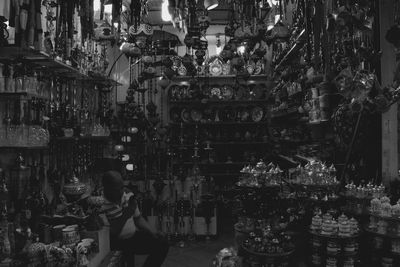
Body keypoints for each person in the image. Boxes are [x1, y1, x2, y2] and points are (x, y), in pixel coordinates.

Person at [102, 171, 169, 267]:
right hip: (115, 243)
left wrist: (153, 232)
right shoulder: (99, 203)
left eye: (122, 187)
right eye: (118, 189)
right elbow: (111, 233)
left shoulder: (127, 194)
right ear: (107, 189)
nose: (122, 191)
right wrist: (126, 213)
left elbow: (138, 218)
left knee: (162, 244)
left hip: (132, 237)